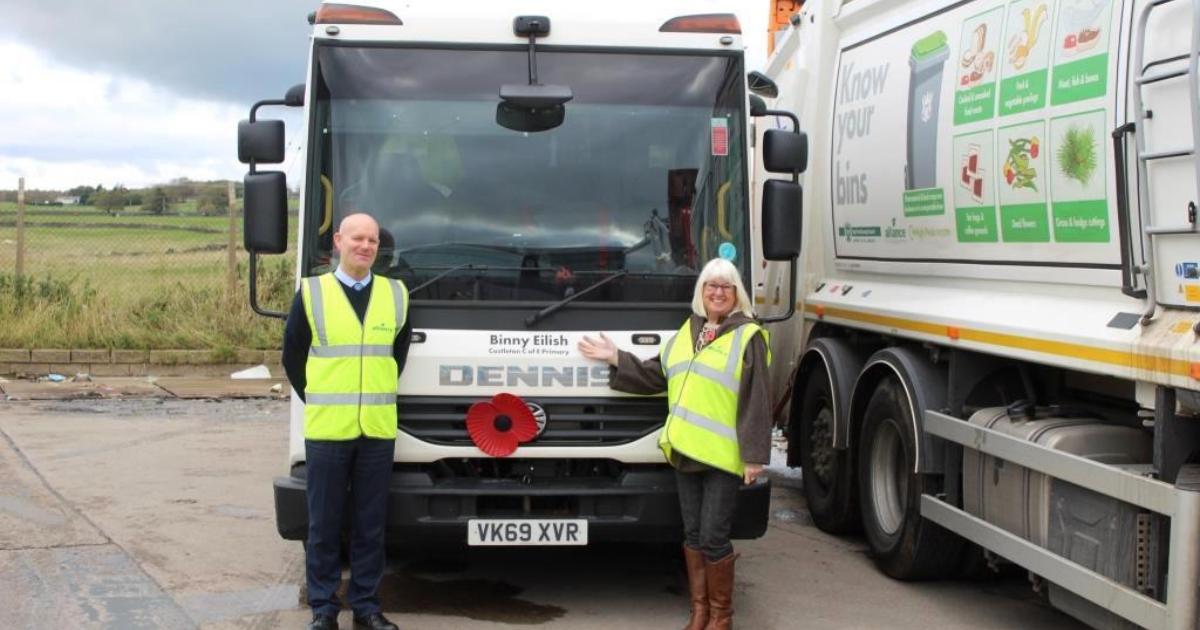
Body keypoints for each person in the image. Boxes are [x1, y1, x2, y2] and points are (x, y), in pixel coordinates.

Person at [578, 257, 771, 630]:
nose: (717, 293)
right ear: (701, 292)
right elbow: (658, 375)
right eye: (711, 286)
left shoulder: (748, 336)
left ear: (736, 295)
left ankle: (722, 618)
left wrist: (754, 456)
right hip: (685, 452)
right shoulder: (688, 331)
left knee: (715, 538)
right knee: (693, 535)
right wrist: (616, 357)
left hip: (722, 457)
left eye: (725, 287)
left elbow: (757, 400)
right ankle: (699, 612)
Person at [282, 213, 411, 630]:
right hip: (327, 431)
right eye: (357, 238)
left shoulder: (396, 295)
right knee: (323, 527)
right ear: (338, 241)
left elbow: (397, 357)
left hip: (376, 430)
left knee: (370, 527)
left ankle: (368, 609)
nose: (366, 246)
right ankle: (323, 610)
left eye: (373, 240)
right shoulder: (311, 293)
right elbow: (293, 358)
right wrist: (321, 399)